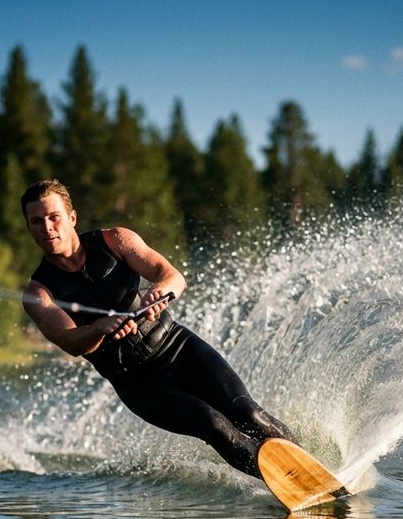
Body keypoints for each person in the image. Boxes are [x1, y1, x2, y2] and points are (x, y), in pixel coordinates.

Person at [20, 179, 295, 478]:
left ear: (72, 217)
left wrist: (159, 292)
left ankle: (310, 466)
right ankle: (285, 483)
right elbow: (70, 341)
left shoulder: (115, 240)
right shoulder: (38, 293)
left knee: (247, 413)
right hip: (137, 383)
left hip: (177, 347)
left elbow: (172, 276)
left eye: (54, 217)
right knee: (214, 425)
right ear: (29, 228)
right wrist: (99, 328)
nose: (47, 227)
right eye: (36, 221)